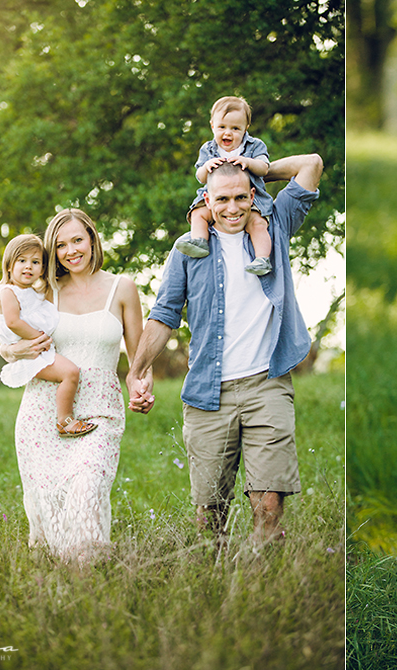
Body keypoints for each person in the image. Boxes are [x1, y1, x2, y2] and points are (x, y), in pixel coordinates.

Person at [127, 153, 323, 550]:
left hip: (266, 385)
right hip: (207, 391)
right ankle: (215, 585)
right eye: (221, 200)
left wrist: (254, 165)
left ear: (252, 195)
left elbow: (312, 165)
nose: (231, 208)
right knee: (209, 513)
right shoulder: (188, 250)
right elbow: (164, 313)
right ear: (206, 202)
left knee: (268, 505)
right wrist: (137, 370)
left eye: (239, 197)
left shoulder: (275, 227)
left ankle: (261, 588)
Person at [0, 209, 147, 563]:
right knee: (50, 500)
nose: (71, 251)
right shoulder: (44, 291)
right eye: (61, 245)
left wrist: (141, 386)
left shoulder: (121, 288)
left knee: (87, 489)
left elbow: (140, 359)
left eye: (77, 240)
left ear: (93, 239)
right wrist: (11, 349)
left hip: (99, 408)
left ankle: (88, 576)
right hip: (43, 410)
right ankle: (62, 589)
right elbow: (7, 335)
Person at [0, 233, 96, 437]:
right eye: (22, 260)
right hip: (32, 352)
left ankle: (65, 418)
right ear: (9, 265)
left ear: (42, 269)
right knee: (70, 373)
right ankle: (65, 420)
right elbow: (12, 322)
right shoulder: (8, 291)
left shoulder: (34, 292)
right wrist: (39, 338)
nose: (28, 266)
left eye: (35, 262)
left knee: (70, 373)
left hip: (37, 349)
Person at [174, 95, 273, 276]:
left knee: (257, 224)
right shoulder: (208, 149)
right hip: (214, 198)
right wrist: (206, 167)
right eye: (222, 127)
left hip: (252, 199)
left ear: (246, 128)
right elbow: (200, 176)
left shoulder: (254, 146)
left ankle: (262, 259)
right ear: (212, 125)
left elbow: (264, 168)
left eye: (235, 128)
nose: (228, 133)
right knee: (198, 214)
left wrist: (248, 162)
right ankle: (199, 241)